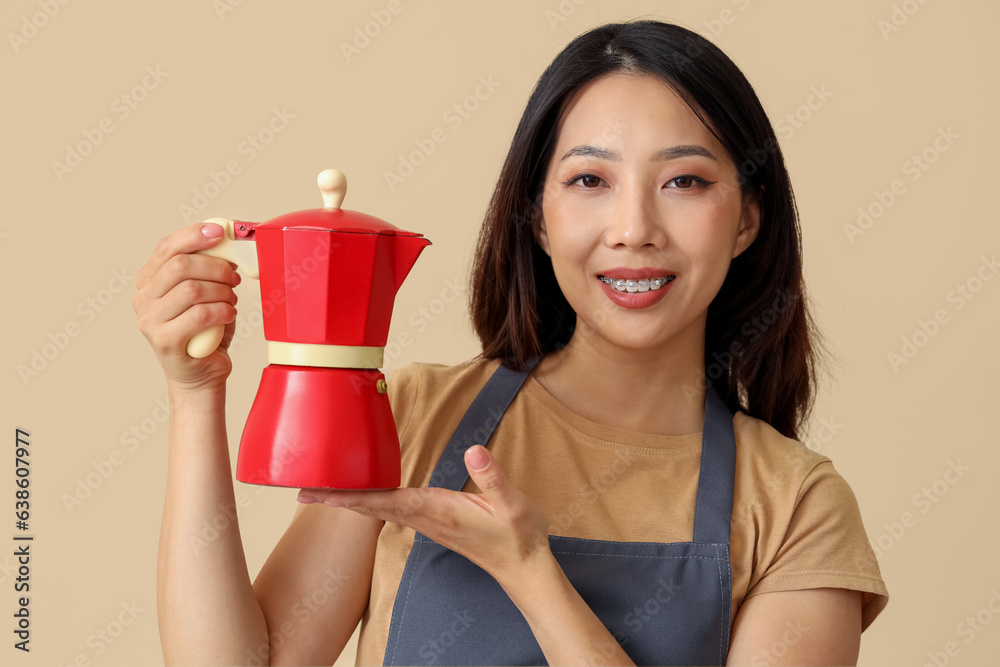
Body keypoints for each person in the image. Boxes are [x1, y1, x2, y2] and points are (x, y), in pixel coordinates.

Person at [133, 19, 888, 666]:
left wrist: (532, 575)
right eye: (589, 180)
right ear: (537, 217)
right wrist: (194, 393)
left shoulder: (796, 506)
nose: (633, 228)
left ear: (748, 220)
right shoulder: (415, 413)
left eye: (684, 181)